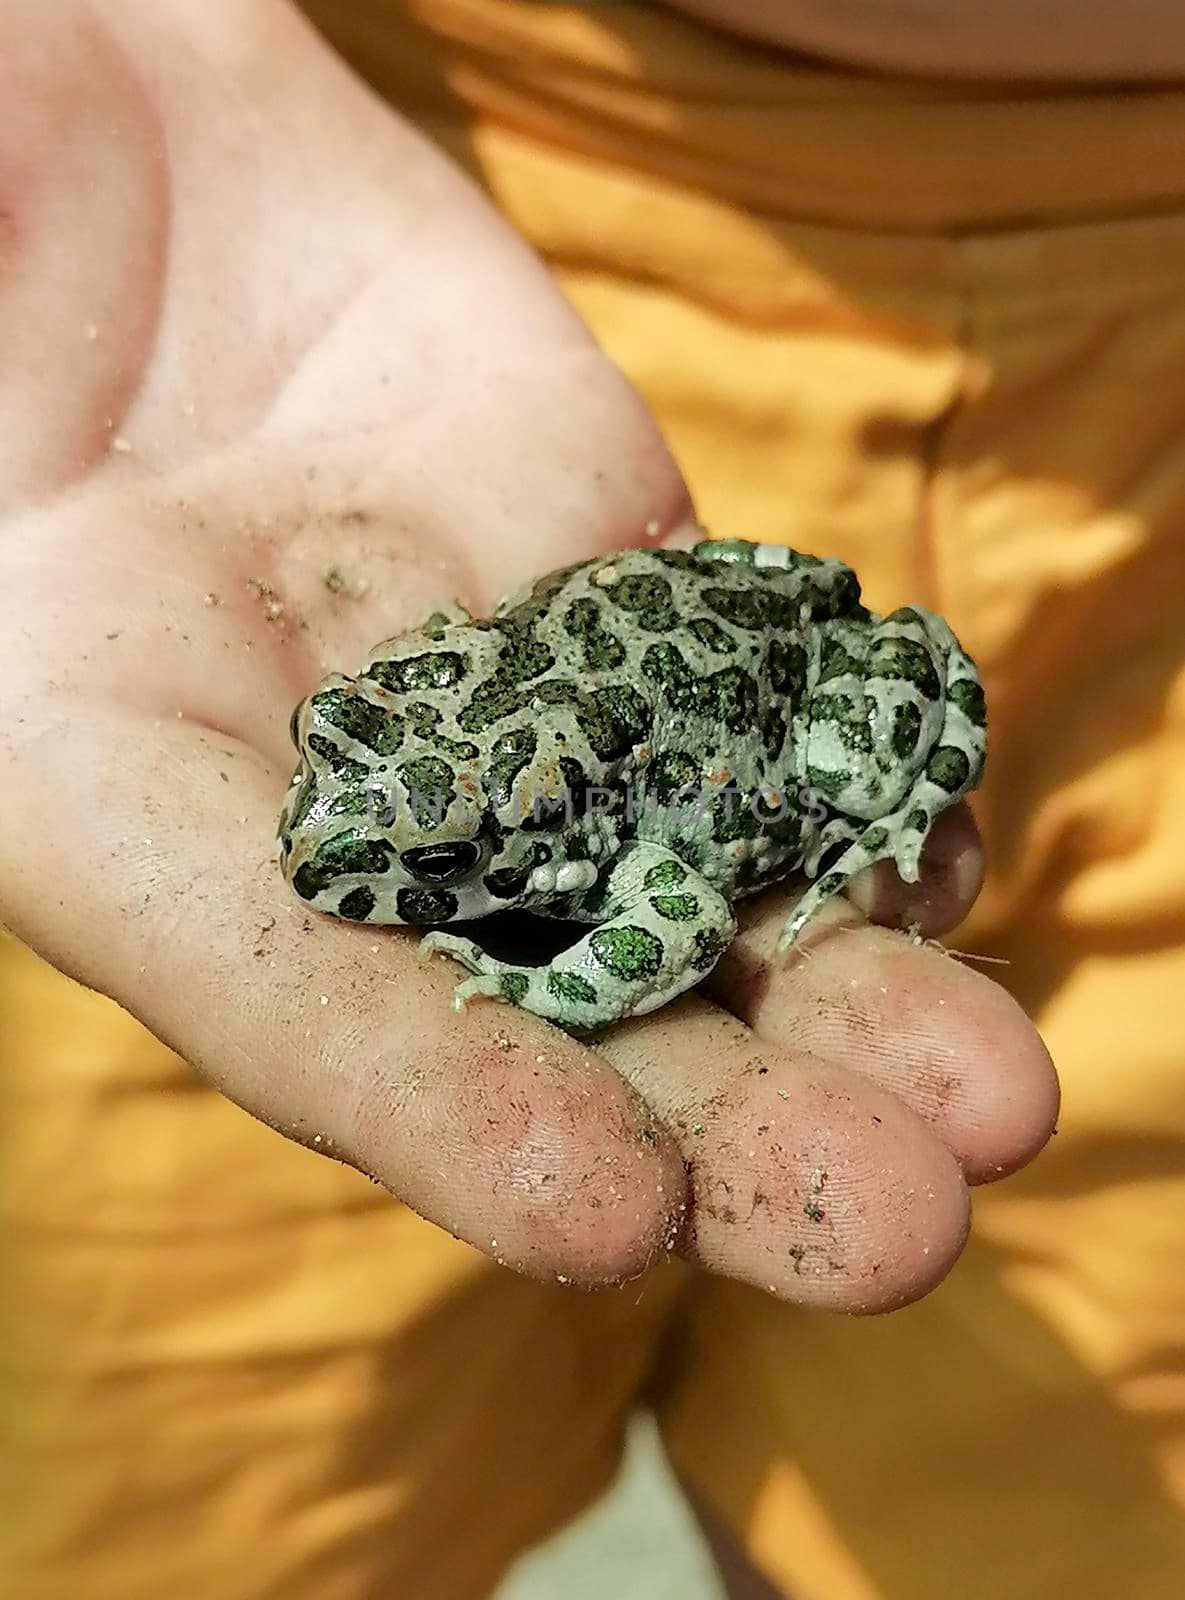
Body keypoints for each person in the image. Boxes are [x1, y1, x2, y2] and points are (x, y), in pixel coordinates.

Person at [0, 2, 1175, 1596]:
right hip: (440, 170)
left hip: (1126, 315)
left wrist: (539, 971)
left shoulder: (585, 839)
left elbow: (678, 909)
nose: (331, 849)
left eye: (413, 858)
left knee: (962, 1527)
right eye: (343, 768)